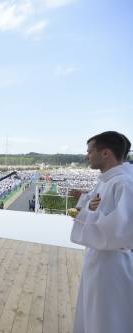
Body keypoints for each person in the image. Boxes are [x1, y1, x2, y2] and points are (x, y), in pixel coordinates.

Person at [71, 131, 133, 333]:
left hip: (113, 265)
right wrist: (86, 203)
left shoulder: (124, 183)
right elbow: (93, 204)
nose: (86, 156)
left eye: (90, 151)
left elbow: (123, 231)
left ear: (105, 153)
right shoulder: (107, 179)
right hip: (100, 259)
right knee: (94, 317)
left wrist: (84, 214)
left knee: (107, 320)